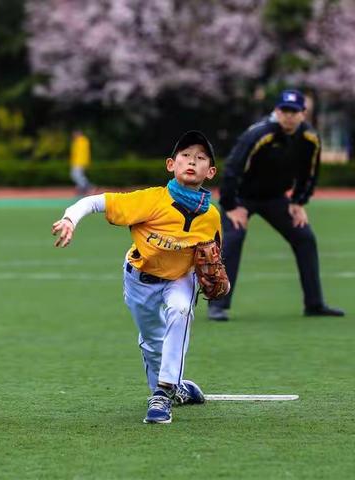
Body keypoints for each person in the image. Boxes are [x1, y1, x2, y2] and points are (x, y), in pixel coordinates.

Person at [52, 131, 224, 424]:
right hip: (139, 279)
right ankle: (177, 388)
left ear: (211, 171)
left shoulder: (212, 217)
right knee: (152, 342)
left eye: (200, 157)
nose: (191, 162)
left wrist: (218, 278)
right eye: (185, 156)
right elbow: (95, 202)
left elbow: (213, 257)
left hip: (179, 279)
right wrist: (70, 218)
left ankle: (163, 393)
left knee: (181, 311)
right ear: (171, 164)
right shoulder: (151, 200)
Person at [208, 89, 345, 321]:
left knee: (305, 237)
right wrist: (231, 206)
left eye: (294, 112)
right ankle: (218, 305)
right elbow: (232, 169)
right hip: (241, 198)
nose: (289, 116)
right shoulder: (259, 135)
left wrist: (298, 201)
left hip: (275, 199)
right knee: (233, 239)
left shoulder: (309, 138)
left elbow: (309, 173)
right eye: (285, 111)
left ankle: (314, 304)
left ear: (303, 114)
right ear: (276, 111)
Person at [69, 130, 93, 195]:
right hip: (78, 162)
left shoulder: (82, 141)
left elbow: (83, 153)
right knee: (77, 176)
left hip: (79, 162)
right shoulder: (79, 141)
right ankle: (83, 187)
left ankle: (86, 187)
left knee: (76, 175)